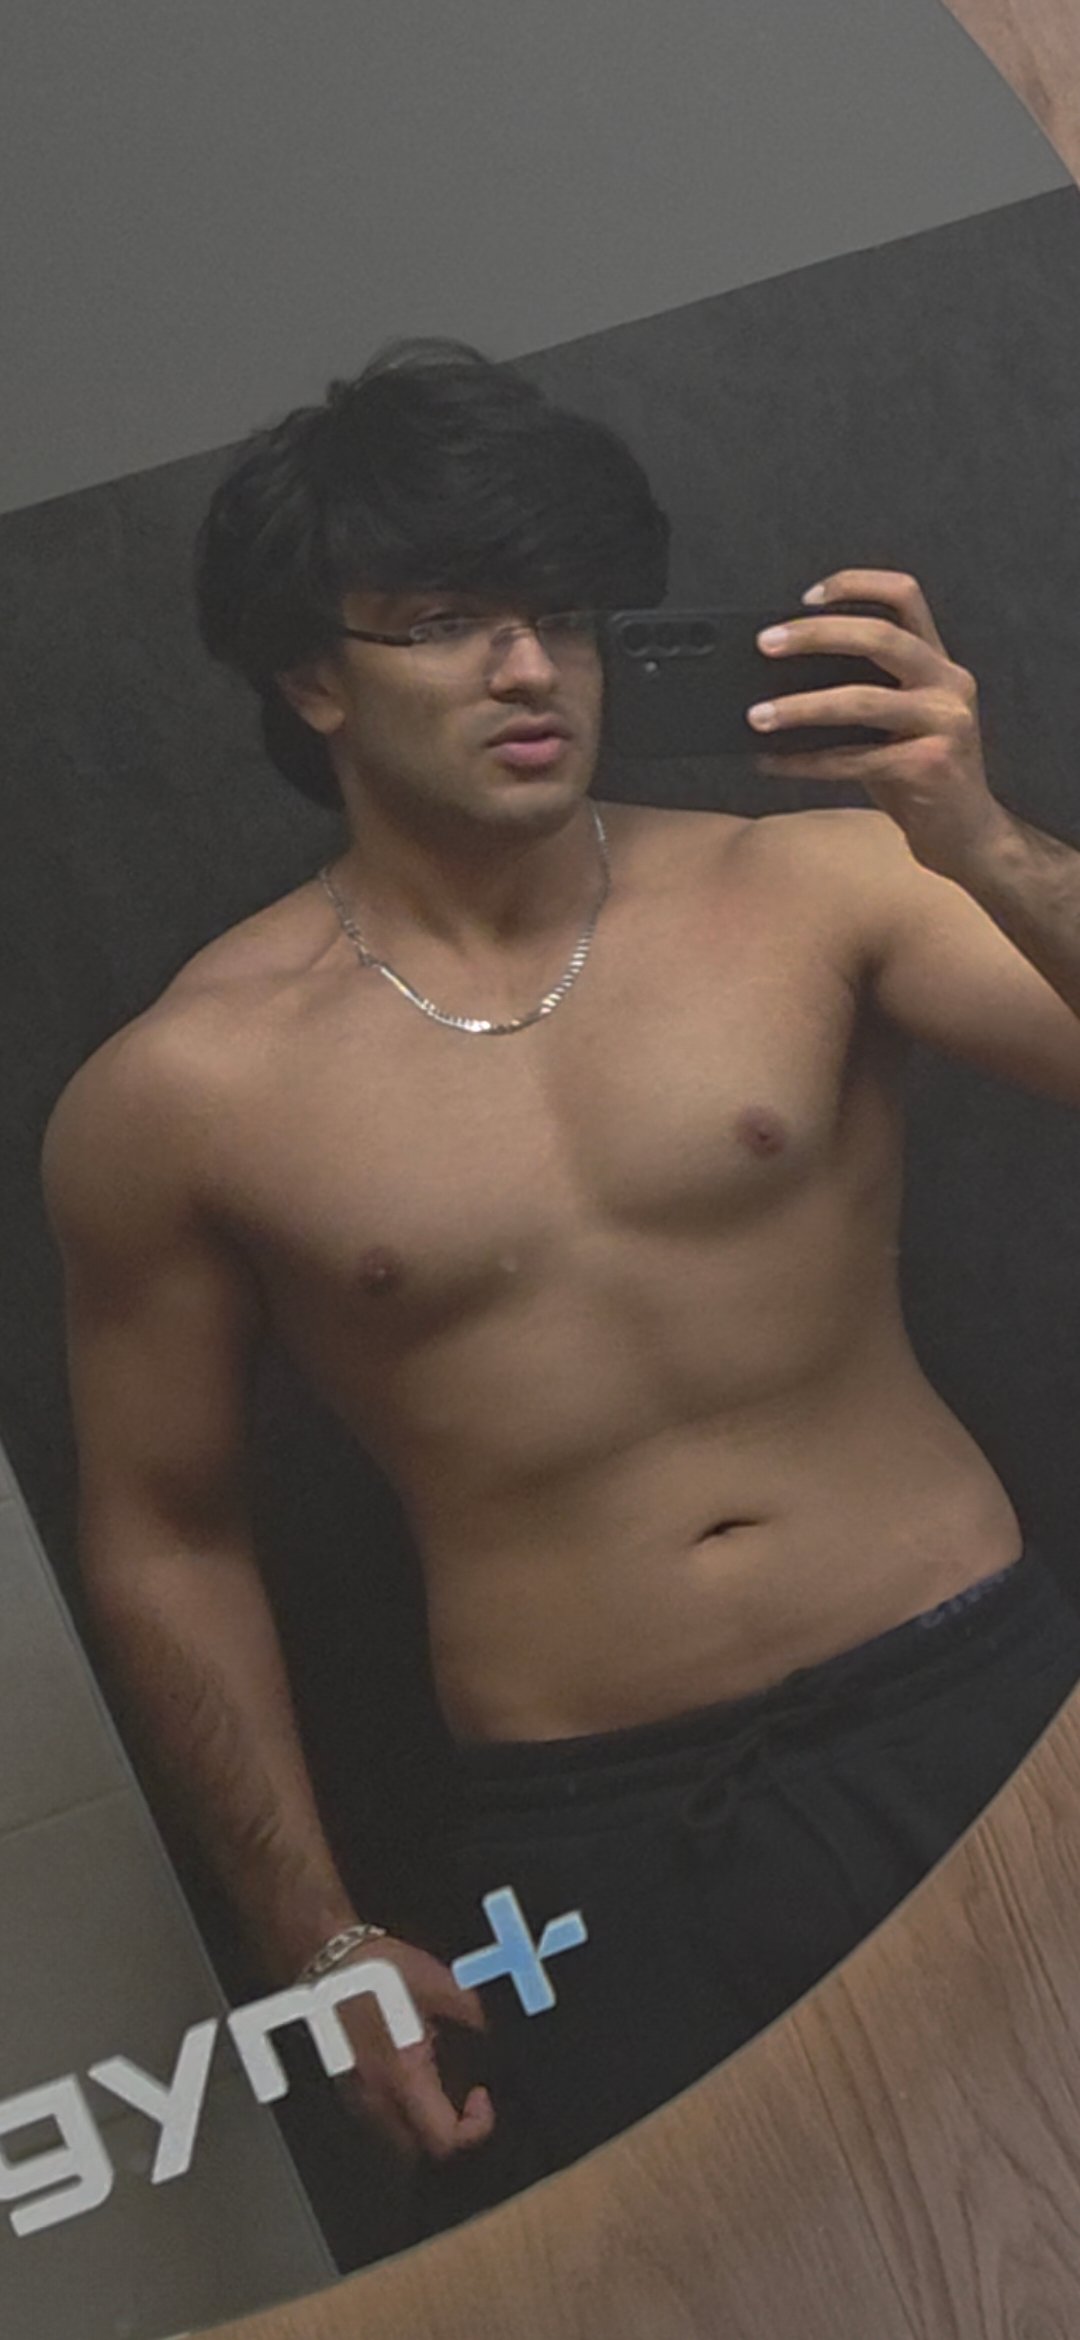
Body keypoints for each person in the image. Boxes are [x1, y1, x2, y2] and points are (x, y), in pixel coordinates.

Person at [40, 336, 1080, 2244]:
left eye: (564, 616)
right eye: (446, 622)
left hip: (981, 1701)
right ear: (312, 679)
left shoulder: (818, 888)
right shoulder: (184, 1091)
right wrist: (315, 1935)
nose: (528, 670)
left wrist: (986, 841)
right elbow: (167, 1536)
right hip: (601, 1825)